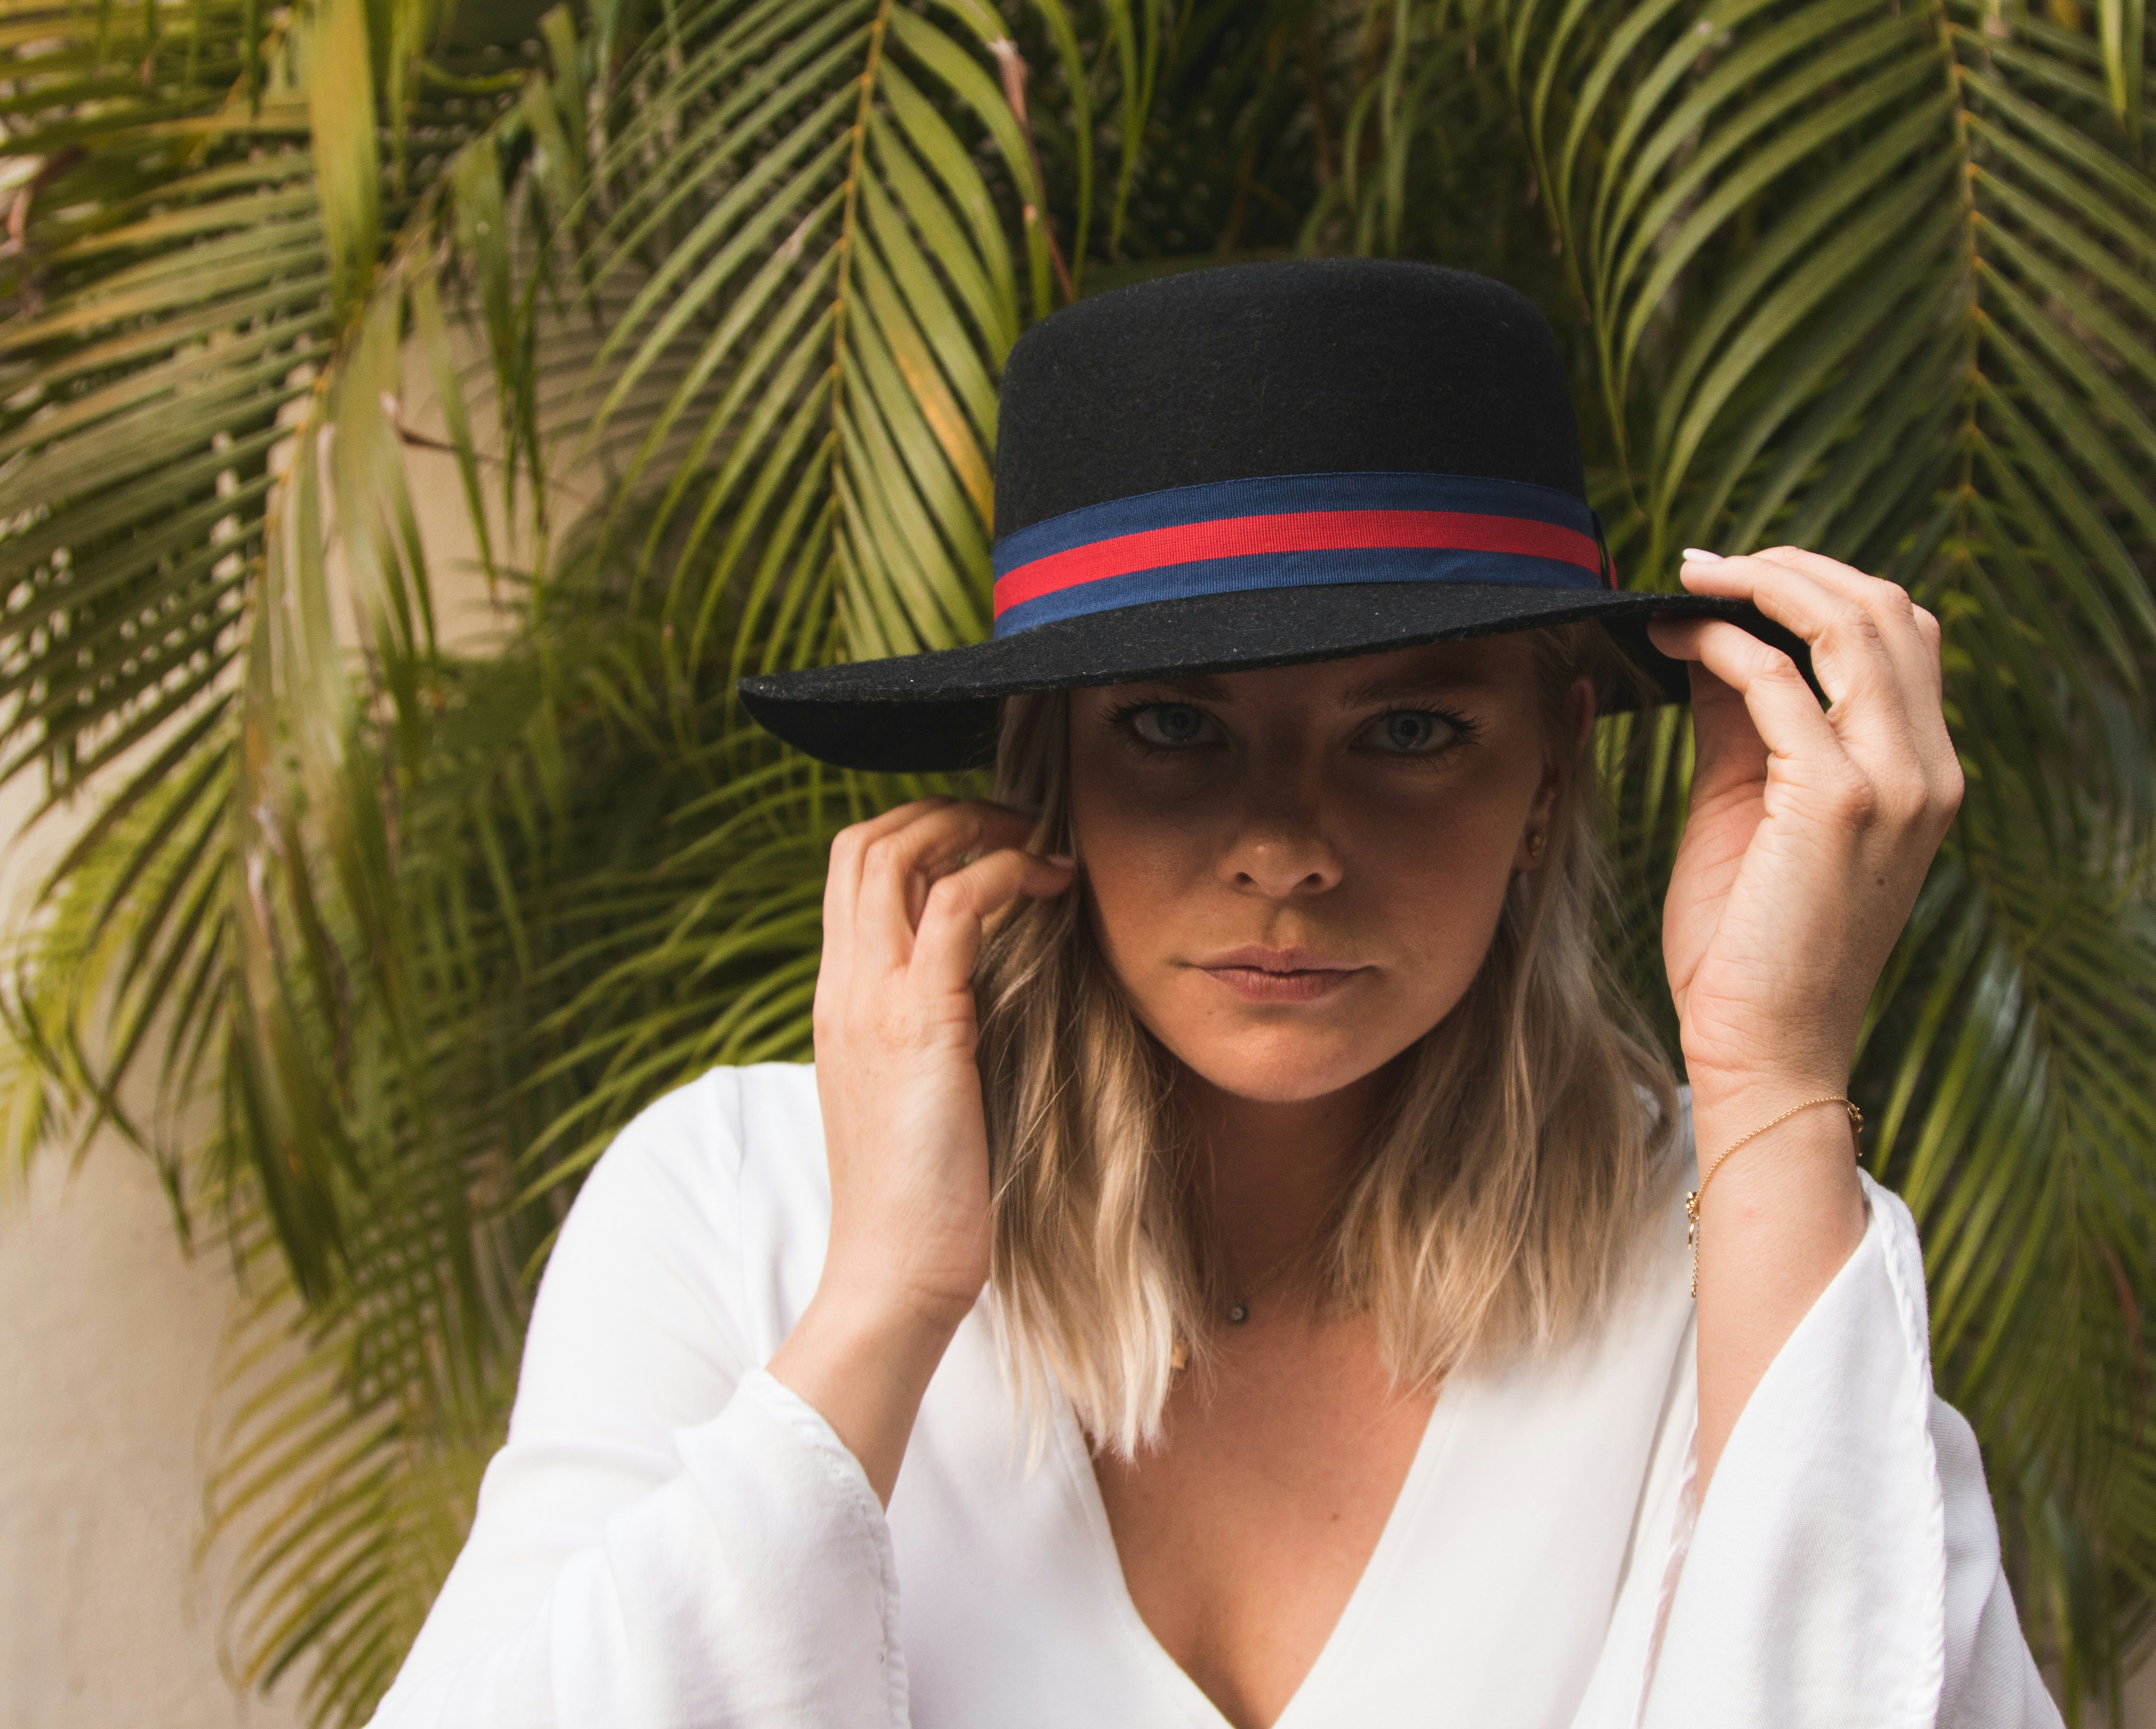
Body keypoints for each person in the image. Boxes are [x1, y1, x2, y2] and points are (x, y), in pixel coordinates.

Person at [364, 258, 2061, 1728]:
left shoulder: (1736, 1243)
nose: (1287, 850)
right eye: (1175, 725)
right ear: (1053, 769)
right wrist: (884, 1300)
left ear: (1550, 772)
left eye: (1409, 730)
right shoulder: (740, 1211)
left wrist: (1772, 1078)